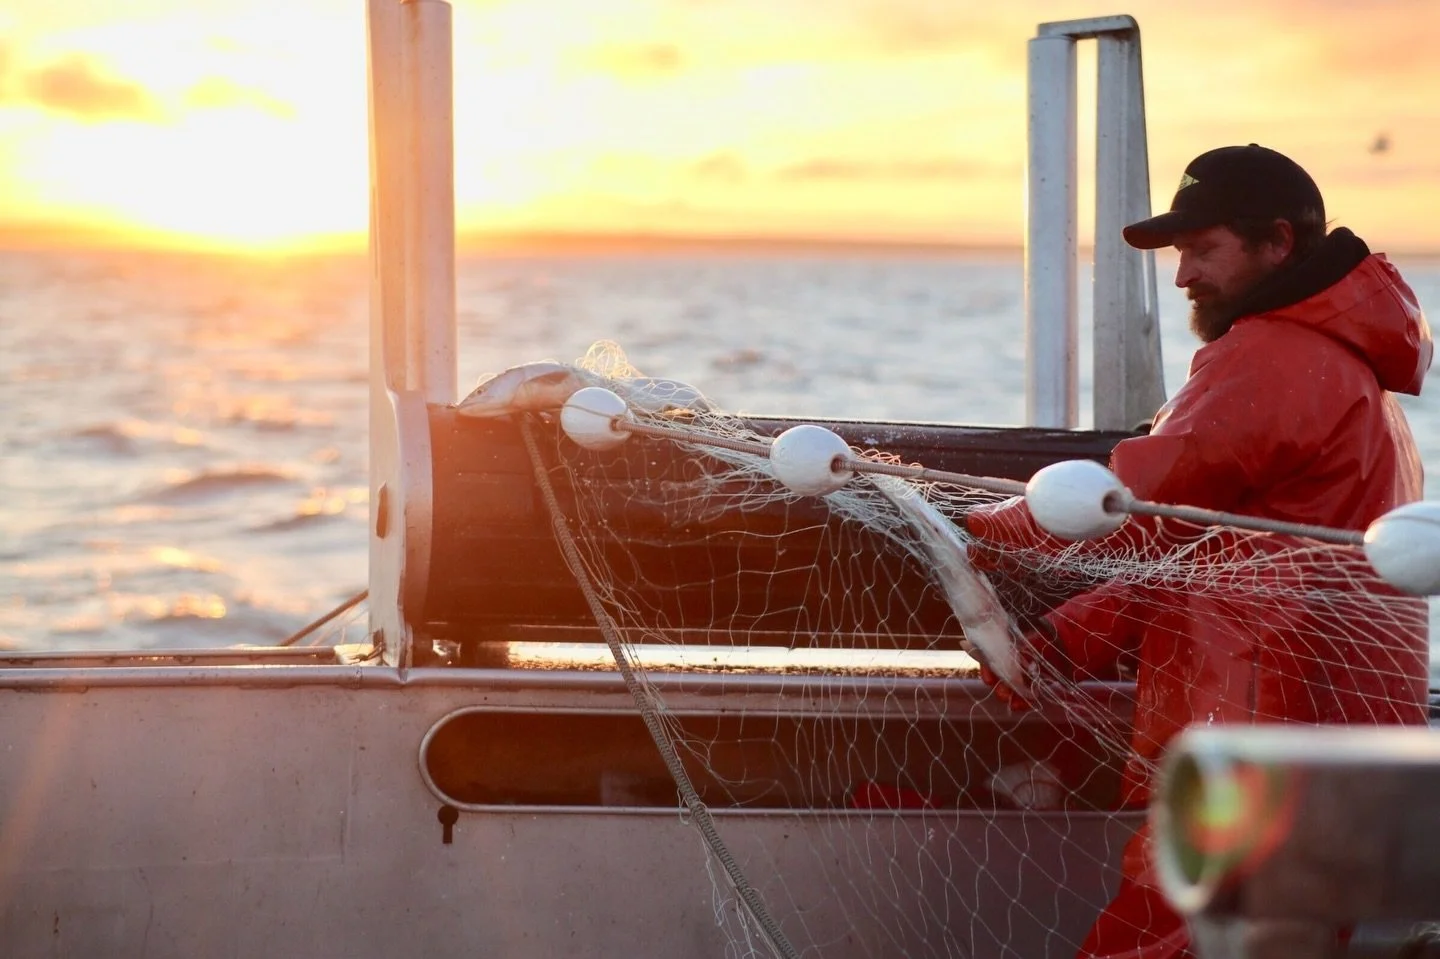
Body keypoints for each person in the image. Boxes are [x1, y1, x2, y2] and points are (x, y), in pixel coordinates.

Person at [967, 144, 1433, 959]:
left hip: (1260, 735)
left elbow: (1133, 509)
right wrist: (1079, 633)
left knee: (1166, 938)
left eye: (1202, 248)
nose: (1182, 276)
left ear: (1277, 244)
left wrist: (978, 524)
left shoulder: (1270, 355)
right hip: (1330, 744)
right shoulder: (1350, 372)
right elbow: (1224, 545)